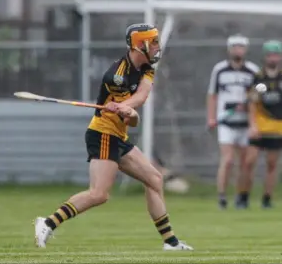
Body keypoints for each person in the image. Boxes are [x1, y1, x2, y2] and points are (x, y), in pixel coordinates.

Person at [34, 23, 193, 251]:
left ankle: (171, 243)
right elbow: (131, 109)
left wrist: (125, 108)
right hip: (103, 134)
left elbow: (141, 96)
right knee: (99, 194)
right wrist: (124, 110)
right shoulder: (117, 76)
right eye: (154, 42)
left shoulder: (147, 67)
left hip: (118, 135)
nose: (158, 47)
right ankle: (47, 223)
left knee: (155, 179)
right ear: (141, 45)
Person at [240, 40, 282, 209]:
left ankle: (267, 199)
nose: (273, 58)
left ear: (281, 56)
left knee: (272, 164)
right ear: (265, 57)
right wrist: (252, 125)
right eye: (270, 55)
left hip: (278, 126)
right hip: (259, 127)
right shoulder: (258, 77)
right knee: (249, 162)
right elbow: (252, 103)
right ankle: (243, 197)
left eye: (276, 55)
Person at [207, 34, 259, 209]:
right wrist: (211, 117)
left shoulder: (252, 70)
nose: (238, 50)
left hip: (245, 123)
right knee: (228, 160)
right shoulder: (220, 69)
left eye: (241, 47)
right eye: (235, 47)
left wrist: (251, 117)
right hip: (226, 121)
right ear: (229, 49)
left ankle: (240, 196)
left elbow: (256, 97)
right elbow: (212, 95)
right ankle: (222, 196)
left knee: (244, 162)